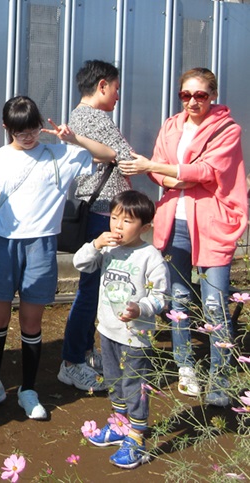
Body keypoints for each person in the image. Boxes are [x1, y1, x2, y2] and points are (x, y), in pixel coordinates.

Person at [0, 95, 116, 420]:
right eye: (20, 130)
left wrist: (73, 137)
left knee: (32, 321)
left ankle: (28, 390)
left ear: (41, 124)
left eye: (33, 128)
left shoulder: (60, 153)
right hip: (3, 245)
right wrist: (16, 214)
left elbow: (109, 156)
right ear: (6, 128)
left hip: (41, 248)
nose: (28, 136)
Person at [119, 67, 247, 406]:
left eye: (200, 95)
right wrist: (172, 175)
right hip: (172, 221)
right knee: (177, 299)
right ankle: (185, 365)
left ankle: (220, 380)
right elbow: (166, 169)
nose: (192, 101)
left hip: (210, 224)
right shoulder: (172, 125)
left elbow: (208, 171)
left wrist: (159, 169)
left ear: (213, 96)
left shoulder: (227, 130)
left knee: (215, 303)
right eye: (186, 95)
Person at [76, 190, 169, 469]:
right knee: (114, 381)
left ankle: (137, 437)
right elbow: (80, 263)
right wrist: (95, 243)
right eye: (114, 218)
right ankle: (119, 425)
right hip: (107, 329)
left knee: (134, 385)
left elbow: (161, 296)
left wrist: (141, 308)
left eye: (127, 221)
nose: (117, 226)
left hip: (135, 337)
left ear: (145, 227)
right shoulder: (108, 248)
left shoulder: (150, 257)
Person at [58, 60, 133, 392]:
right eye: (116, 88)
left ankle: (84, 354)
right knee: (92, 291)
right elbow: (127, 157)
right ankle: (72, 360)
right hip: (103, 211)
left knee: (92, 288)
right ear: (102, 85)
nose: (118, 95)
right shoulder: (96, 118)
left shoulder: (77, 116)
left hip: (94, 209)